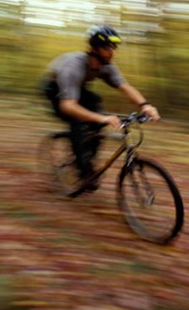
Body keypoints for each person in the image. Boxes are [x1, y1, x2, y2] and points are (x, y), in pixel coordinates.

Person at [42, 25, 160, 191]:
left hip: (78, 89)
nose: (112, 52)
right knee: (79, 121)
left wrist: (145, 105)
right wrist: (101, 117)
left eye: (114, 47)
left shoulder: (107, 66)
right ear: (94, 48)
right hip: (55, 89)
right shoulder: (73, 66)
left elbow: (125, 87)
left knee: (96, 108)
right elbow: (67, 106)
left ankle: (88, 159)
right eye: (107, 47)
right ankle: (83, 169)